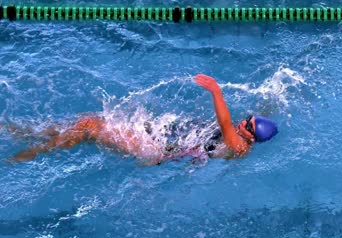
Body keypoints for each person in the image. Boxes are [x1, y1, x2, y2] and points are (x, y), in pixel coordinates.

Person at [10, 74, 278, 164]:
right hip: (162, 137)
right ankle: (25, 133)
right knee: (85, 122)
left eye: (248, 125)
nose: (242, 122)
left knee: (90, 126)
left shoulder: (239, 147)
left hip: (156, 150)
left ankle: (28, 153)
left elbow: (223, 123)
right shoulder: (244, 135)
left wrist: (216, 91)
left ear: (250, 137)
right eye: (247, 119)